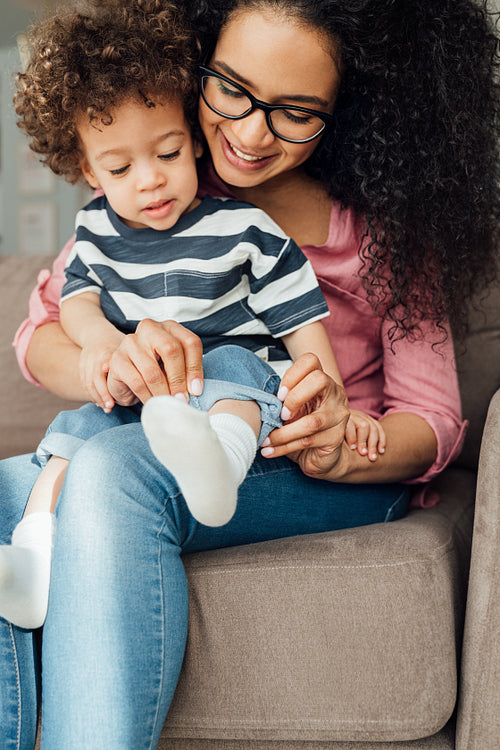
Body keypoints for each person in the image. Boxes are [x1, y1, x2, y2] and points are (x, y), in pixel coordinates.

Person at [1, 0, 498, 747]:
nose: (250, 131)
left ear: (348, 112)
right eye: (230, 89)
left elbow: (433, 424)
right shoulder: (160, 188)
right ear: (193, 67)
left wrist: (340, 440)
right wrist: (105, 357)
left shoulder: (384, 236)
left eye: (296, 111)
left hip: (306, 463)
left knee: (114, 473)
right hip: (159, 428)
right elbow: (40, 330)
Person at [0, 0, 385, 631]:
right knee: (73, 442)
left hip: (234, 397)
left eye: (169, 153)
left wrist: (331, 397)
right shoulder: (95, 229)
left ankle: (219, 464)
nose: (149, 182)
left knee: (233, 361)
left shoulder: (244, 227)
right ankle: (33, 561)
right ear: (87, 169)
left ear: (193, 135)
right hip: (141, 410)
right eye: (120, 168)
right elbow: (74, 302)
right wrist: (102, 352)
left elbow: (300, 321)